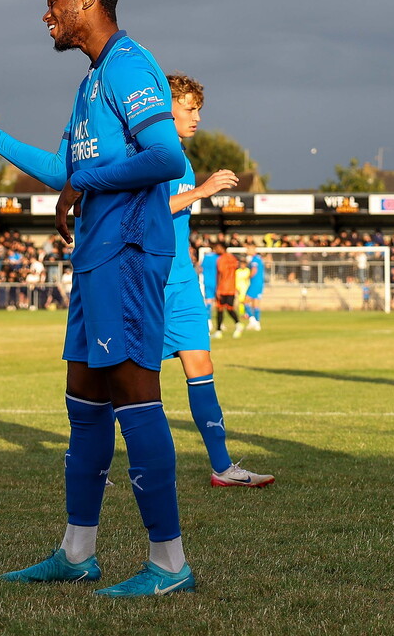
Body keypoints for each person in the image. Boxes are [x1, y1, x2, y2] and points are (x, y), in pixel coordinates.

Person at [0, 0, 193, 597]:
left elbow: (167, 157)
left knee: (137, 396)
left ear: (87, 1)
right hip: (96, 258)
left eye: (55, 4)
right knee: (83, 400)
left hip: (128, 252)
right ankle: (77, 552)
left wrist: (85, 183)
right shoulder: (92, 81)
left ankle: (170, 564)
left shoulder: (128, 64)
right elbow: (63, 170)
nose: (47, 16)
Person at [162, 73, 273, 487]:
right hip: (149, 282)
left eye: (198, 109)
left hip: (183, 281)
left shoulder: (181, 157)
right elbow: (145, 213)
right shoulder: (152, 153)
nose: (196, 117)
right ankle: (94, 464)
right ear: (163, 105)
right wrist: (201, 191)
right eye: (188, 108)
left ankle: (223, 468)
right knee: (126, 381)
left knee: (202, 365)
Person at [213, 240, 243, 338]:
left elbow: (220, 275)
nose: (216, 250)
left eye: (217, 248)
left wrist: (217, 289)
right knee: (227, 309)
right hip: (231, 288)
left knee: (221, 309)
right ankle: (220, 330)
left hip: (223, 288)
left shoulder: (221, 260)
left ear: (222, 248)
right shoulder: (233, 258)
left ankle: (236, 325)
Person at [244, 242, 265, 330]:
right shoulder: (258, 258)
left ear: (253, 249)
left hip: (255, 283)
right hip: (260, 283)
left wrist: (247, 277)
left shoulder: (254, 259)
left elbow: (254, 270)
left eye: (249, 249)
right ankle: (257, 323)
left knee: (245, 302)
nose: (247, 251)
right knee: (255, 304)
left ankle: (253, 321)